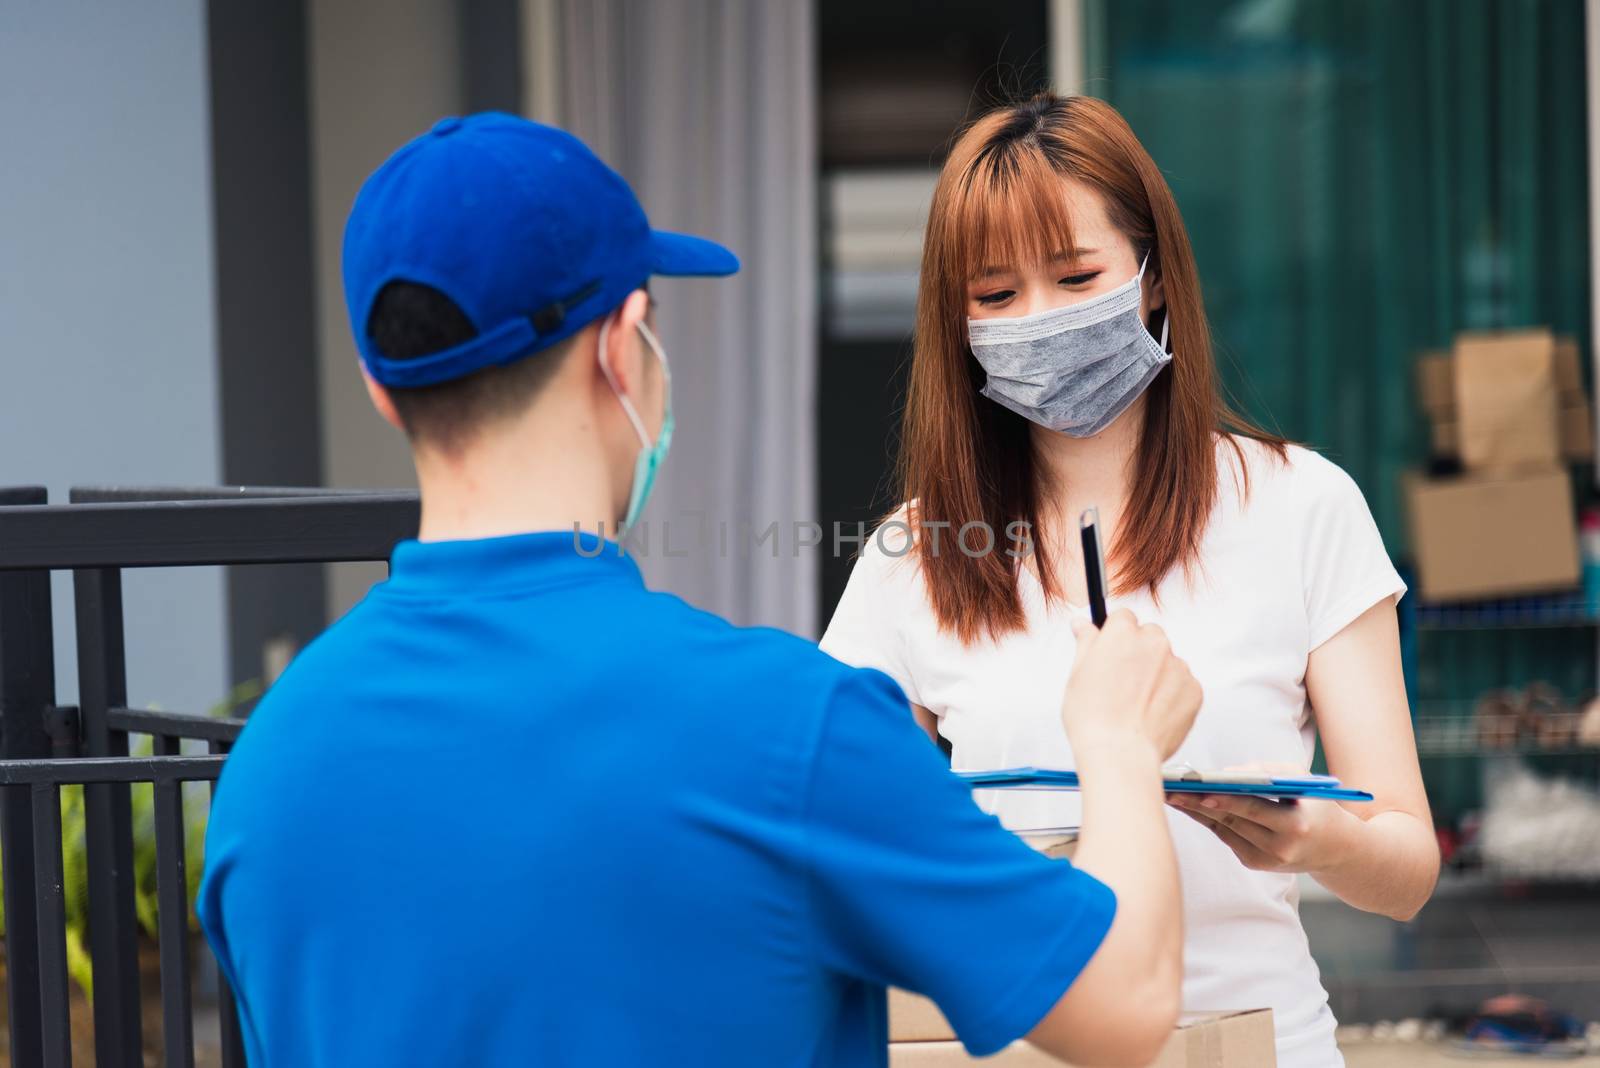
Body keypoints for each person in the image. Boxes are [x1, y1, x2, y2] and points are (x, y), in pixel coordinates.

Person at [197, 112, 1204, 1068]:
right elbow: (1122, 1003)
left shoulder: (268, 773)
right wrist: (1116, 748)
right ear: (619, 346)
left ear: (382, 388)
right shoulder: (786, 729)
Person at [820, 93, 1439, 1068]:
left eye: (1076, 276)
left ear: (1153, 275)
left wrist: (1314, 838)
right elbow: (848, 849)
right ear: (957, 322)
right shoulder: (914, 555)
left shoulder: (1301, 506)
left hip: (1261, 1046)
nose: (1041, 320)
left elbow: (1406, 870)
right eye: (994, 296)